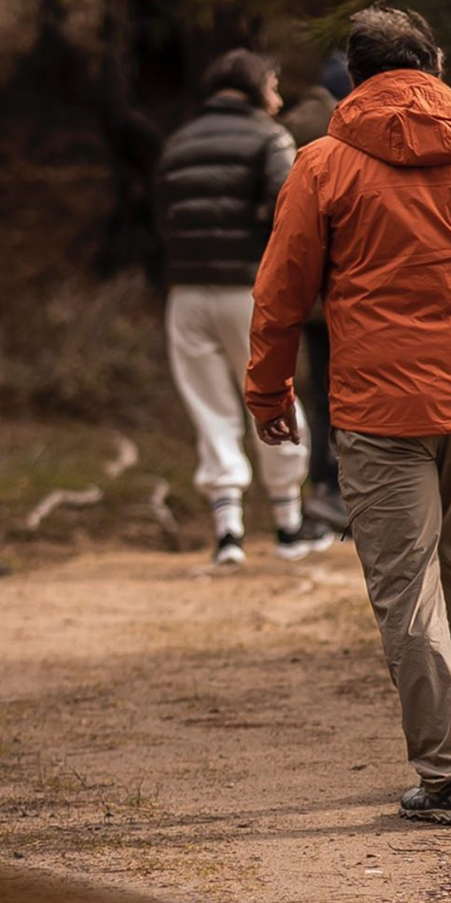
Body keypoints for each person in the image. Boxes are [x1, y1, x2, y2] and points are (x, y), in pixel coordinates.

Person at [246, 6, 451, 826]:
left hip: (378, 407)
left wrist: (269, 390)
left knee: (406, 586)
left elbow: (281, 290)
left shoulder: (322, 164)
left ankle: (450, 771)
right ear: (436, 64)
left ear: (355, 79)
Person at [157, 49, 333, 564]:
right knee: (273, 398)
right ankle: (288, 525)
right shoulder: (268, 137)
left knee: (209, 407)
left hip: (186, 293)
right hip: (251, 290)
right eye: (273, 86)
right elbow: (291, 210)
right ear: (256, 87)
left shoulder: (179, 141)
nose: (277, 99)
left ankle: (228, 531)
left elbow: (161, 217)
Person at [281, 54, 355, 536]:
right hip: (348, 290)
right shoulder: (345, 133)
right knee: (350, 395)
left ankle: (322, 491)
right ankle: (342, 493)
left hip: (306, 290)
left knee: (318, 395)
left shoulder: (288, 127)